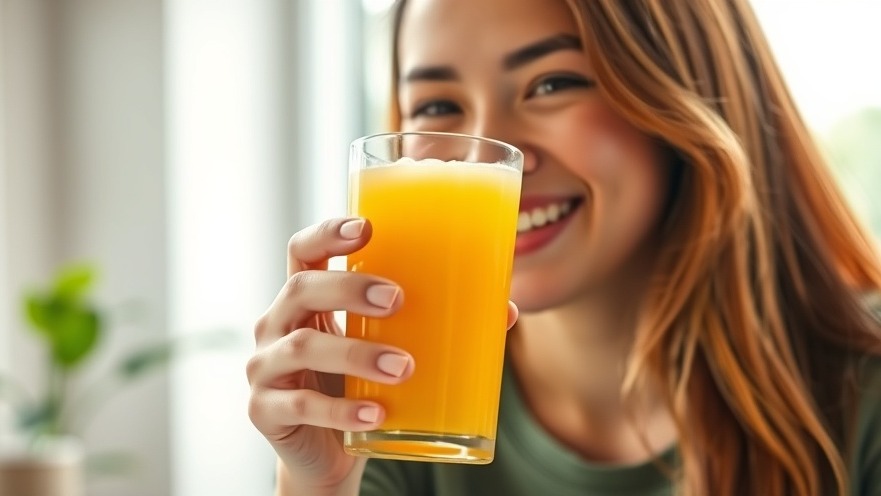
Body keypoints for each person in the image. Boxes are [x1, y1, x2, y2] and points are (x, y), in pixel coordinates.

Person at [246, 0, 881, 494]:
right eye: (437, 104)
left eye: (552, 84)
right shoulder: (397, 411)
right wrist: (318, 488)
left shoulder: (862, 400)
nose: (487, 156)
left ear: (678, 91)